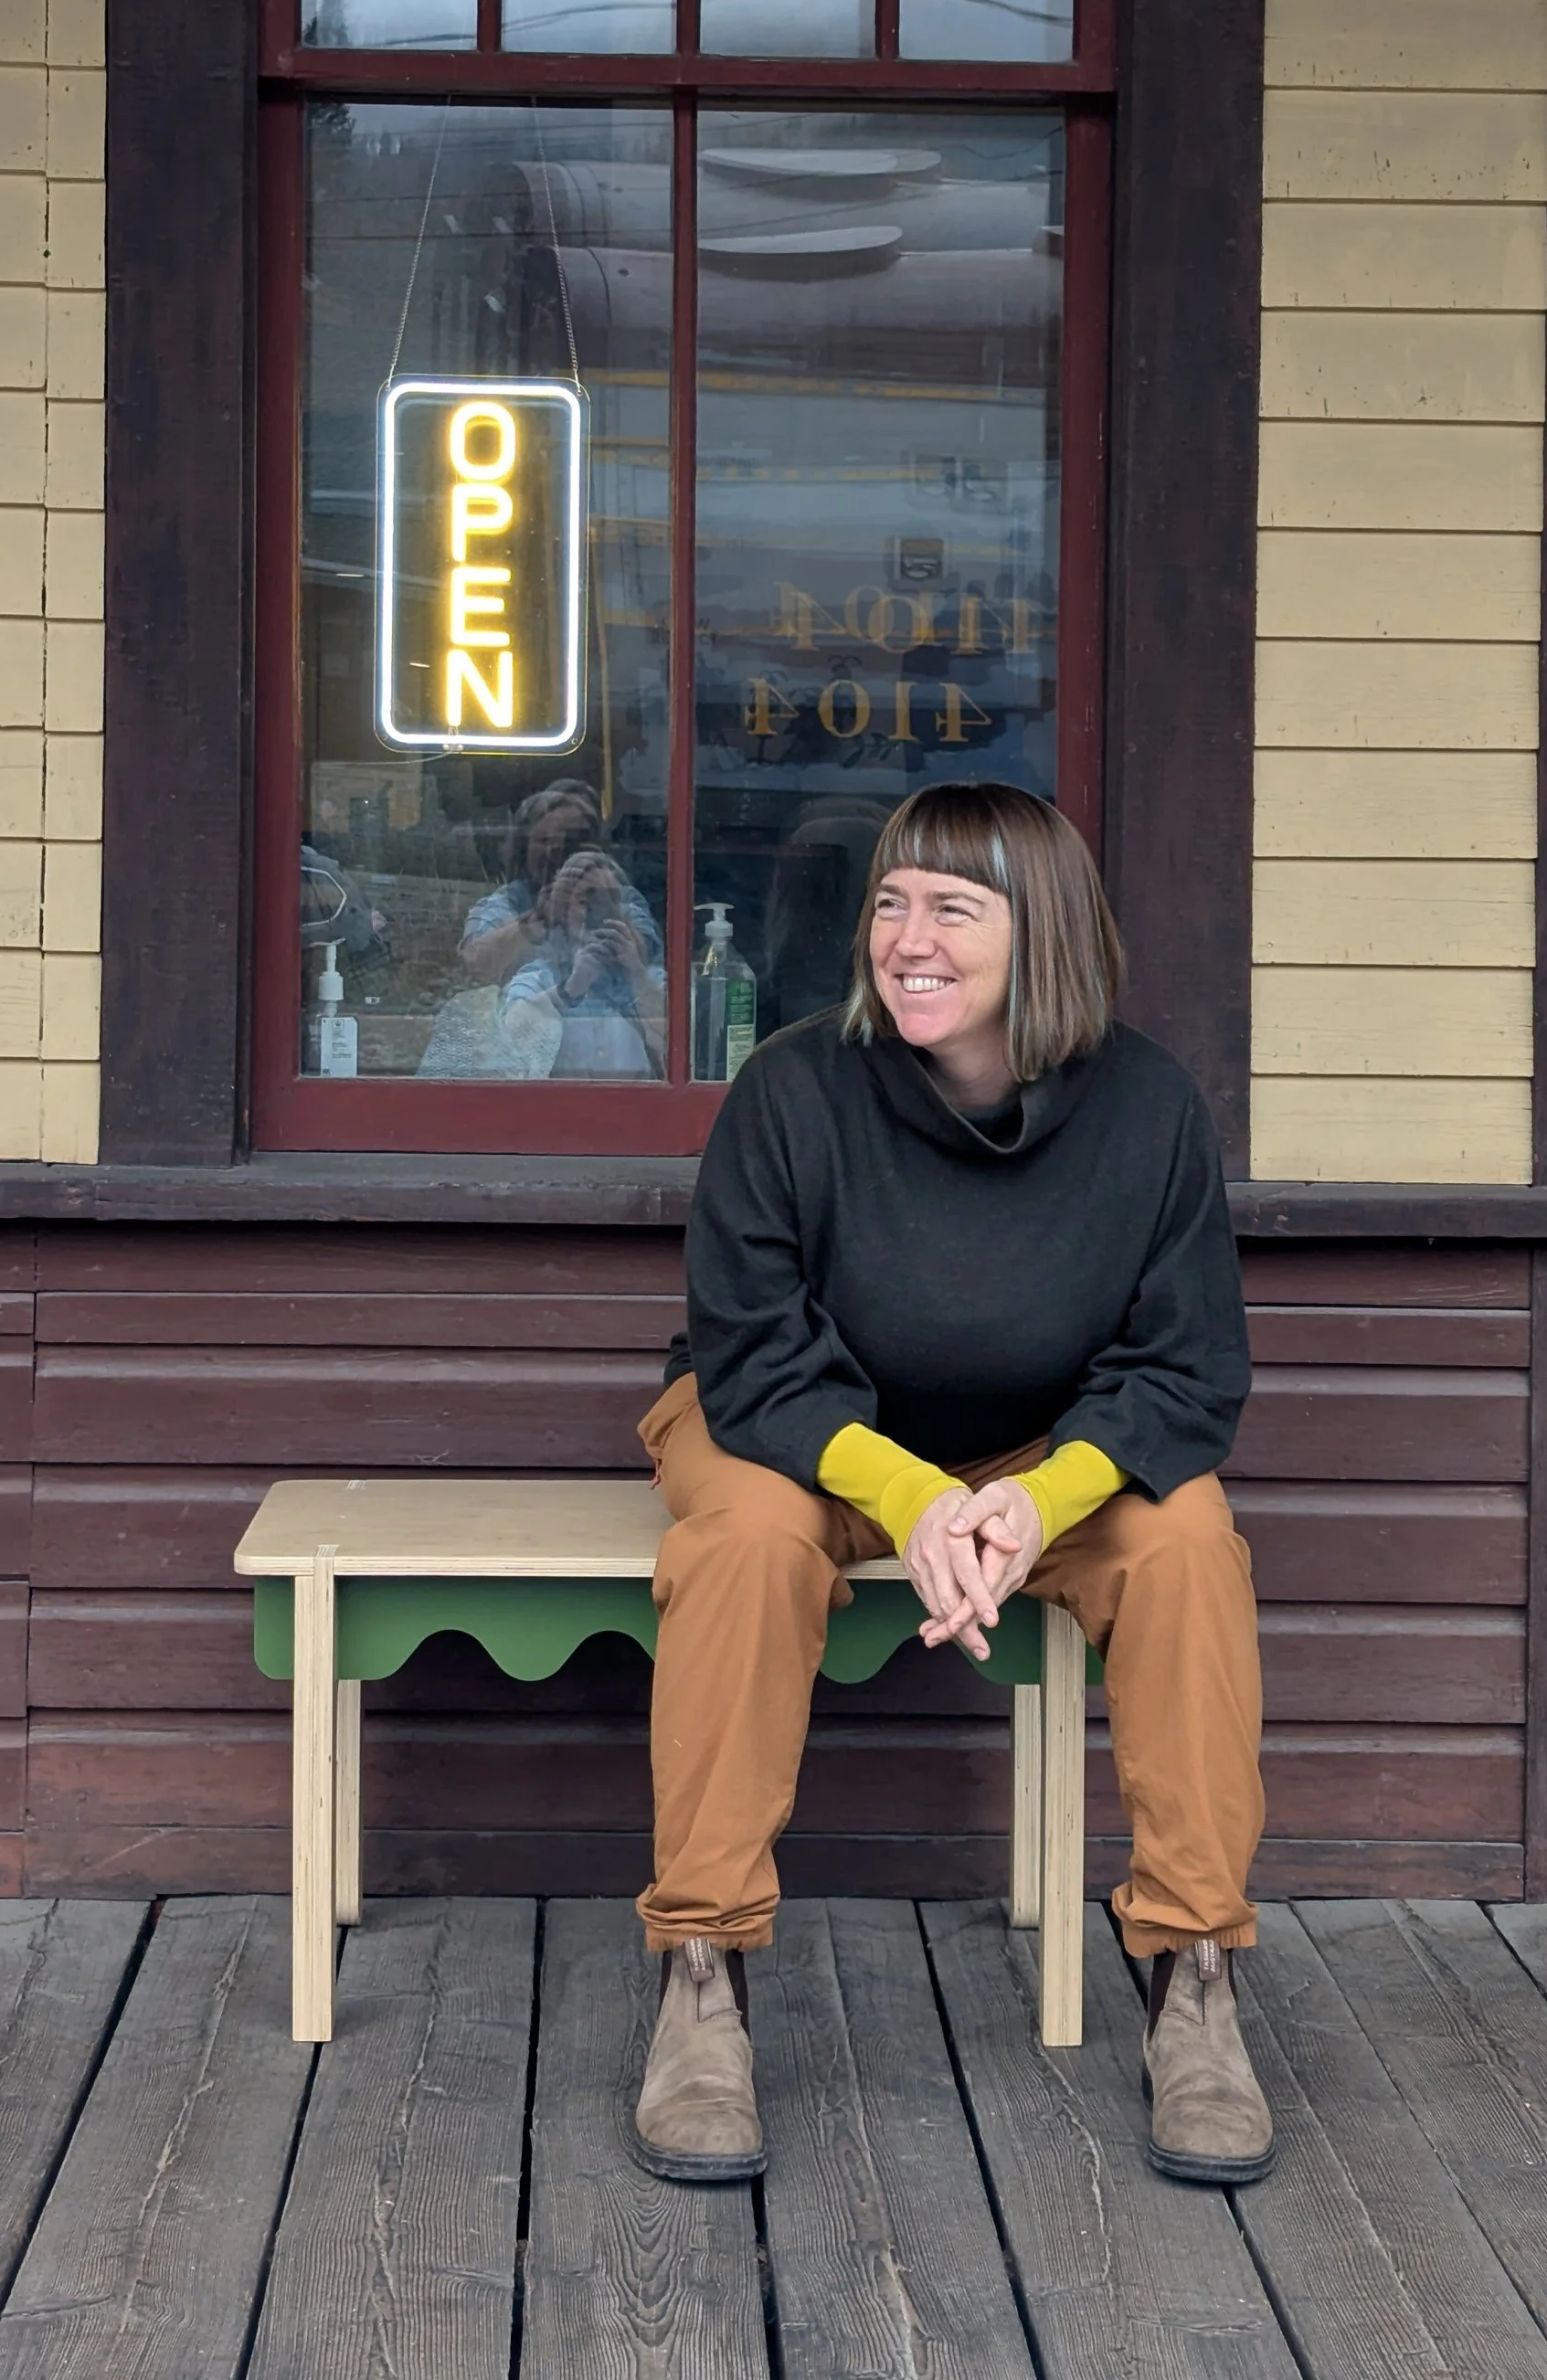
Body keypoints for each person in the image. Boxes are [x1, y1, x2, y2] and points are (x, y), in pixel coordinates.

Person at [631, 782, 1271, 2186]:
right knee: (743, 1541)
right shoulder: (791, 1089)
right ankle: (702, 1969)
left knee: (1186, 1544)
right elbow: (751, 1352)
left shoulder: (1150, 1108)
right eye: (889, 903)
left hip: (1036, 1461)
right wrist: (913, 1499)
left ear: (1038, 936)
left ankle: (1196, 1974)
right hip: (794, 1442)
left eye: (952, 909)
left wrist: (1031, 1504)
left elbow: (1185, 1368)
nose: (906, 939)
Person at [458, 780, 666, 1077]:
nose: (556, 850)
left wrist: (605, 902)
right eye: (543, 839)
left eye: (570, 841)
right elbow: (475, 968)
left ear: (595, 847)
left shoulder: (621, 896)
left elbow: (648, 957)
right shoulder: (508, 905)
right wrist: (539, 918)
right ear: (523, 846)